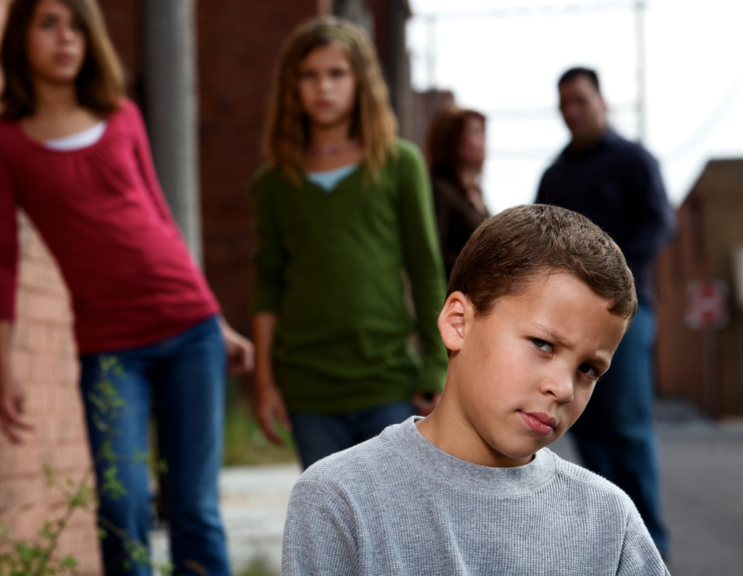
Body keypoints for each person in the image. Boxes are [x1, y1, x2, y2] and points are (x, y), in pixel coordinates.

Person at [0, 1, 253, 574]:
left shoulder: (123, 116)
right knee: (122, 502)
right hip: (109, 347)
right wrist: (3, 369)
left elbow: (160, 217)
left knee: (194, 507)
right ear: (19, 37)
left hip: (190, 331)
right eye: (49, 23)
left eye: (78, 26)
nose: (66, 38)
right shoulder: (5, 142)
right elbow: (1, 256)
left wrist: (217, 320)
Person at [282, 204, 670, 575]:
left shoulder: (610, 521)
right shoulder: (339, 498)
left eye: (588, 369)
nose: (563, 388)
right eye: (543, 344)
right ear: (457, 323)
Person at [250, 16, 448, 471]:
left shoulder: (399, 163)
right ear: (291, 86)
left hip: (388, 382)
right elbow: (267, 284)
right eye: (310, 75)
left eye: (337, 73)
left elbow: (425, 269)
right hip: (308, 389)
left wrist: (438, 366)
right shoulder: (273, 182)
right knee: (334, 528)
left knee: (396, 525)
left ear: (361, 81)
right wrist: (265, 384)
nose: (324, 86)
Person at [536, 67, 674, 555]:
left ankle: (650, 547)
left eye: (580, 100)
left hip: (626, 321)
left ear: (601, 100)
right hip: (567, 328)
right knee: (584, 427)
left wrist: (612, 288)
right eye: (564, 104)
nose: (572, 111)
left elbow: (660, 221)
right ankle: (605, 548)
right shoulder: (555, 175)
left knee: (628, 430)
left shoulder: (634, 161)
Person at [426, 105, 490, 279]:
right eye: (476, 132)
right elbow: (435, 254)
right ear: (452, 139)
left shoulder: (474, 191)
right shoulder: (439, 190)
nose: (484, 140)